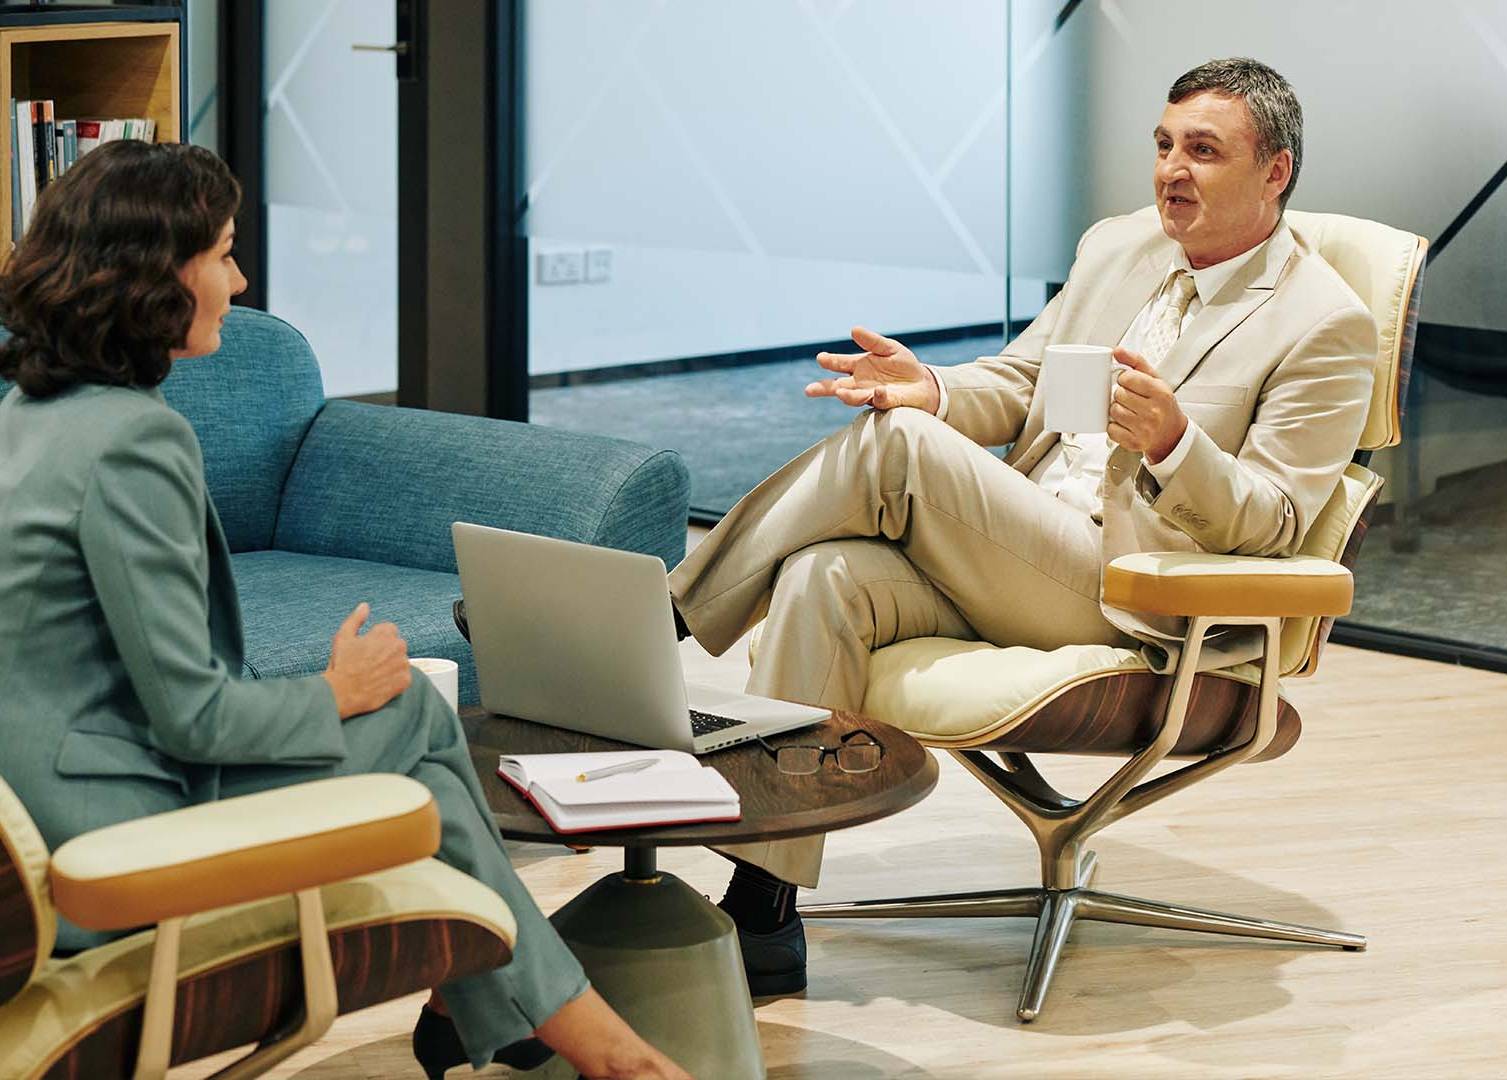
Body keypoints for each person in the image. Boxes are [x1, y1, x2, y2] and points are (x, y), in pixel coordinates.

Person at [670, 58, 1378, 995]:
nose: (1172, 170)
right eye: (1164, 146)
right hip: (1025, 544)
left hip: (1139, 593)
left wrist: (1174, 443)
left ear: (1275, 171)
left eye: (1203, 152)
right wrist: (930, 387)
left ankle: (664, 619)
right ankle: (765, 910)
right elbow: (1019, 384)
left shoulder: (1325, 323)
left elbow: (1279, 521)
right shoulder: (1120, 249)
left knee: (899, 451)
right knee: (826, 575)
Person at [0, 141, 689, 1080]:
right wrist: (335, 689)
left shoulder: (26, 420)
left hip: (46, 802)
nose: (240, 282)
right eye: (225, 253)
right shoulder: (132, 444)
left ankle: (527, 1017)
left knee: (422, 749)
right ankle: (578, 1039)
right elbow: (195, 717)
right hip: (111, 839)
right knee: (407, 714)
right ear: (160, 276)